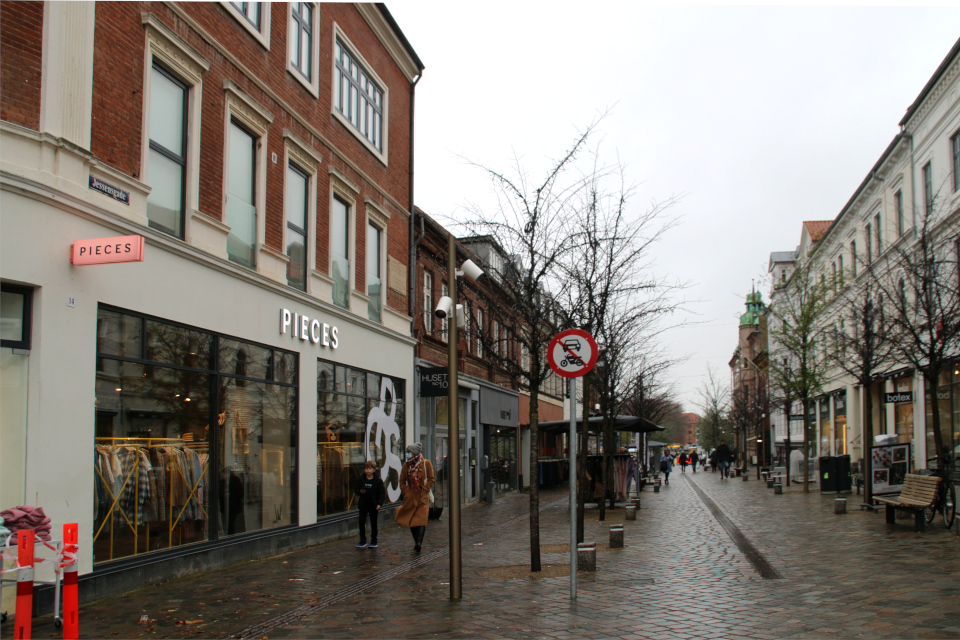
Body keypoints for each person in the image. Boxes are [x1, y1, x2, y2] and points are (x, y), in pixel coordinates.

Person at [395, 442, 435, 552]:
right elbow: (402, 480)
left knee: (421, 520)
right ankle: (416, 541)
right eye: (407, 452)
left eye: (409, 452)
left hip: (422, 496)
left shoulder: (426, 463)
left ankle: (419, 542)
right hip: (411, 496)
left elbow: (431, 478)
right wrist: (405, 491)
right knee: (412, 520)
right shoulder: (406, 465)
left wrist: (425, 489)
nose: (408, 454)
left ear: (415, 453)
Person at [355, 460, 385, 548]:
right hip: (363, 504)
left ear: (374, 470)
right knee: (361, 521)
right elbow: (356, 489)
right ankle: (362, 540)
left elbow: (381, 493)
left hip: (373, 504)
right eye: (366, 468)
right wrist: (360, 491)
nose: (368, 470)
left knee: (373, 522)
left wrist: (379, 503)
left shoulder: (378, 481)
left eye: (370, 468)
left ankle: (374, 539)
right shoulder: (361, 479)